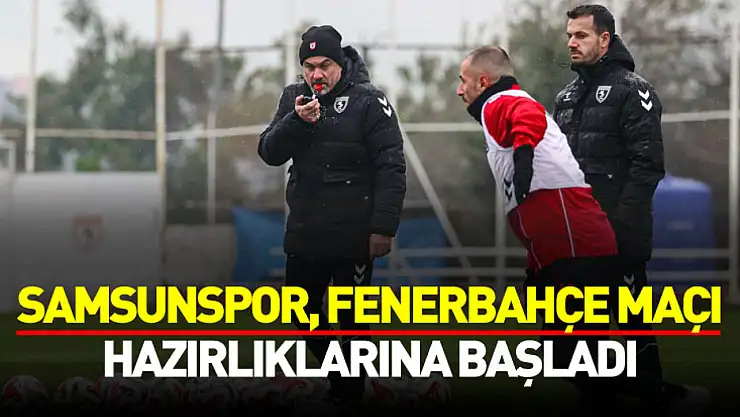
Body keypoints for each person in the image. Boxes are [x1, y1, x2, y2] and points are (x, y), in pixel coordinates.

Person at [456, 45, 705, 416]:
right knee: (568, 353)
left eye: (463, 81)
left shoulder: (501, 100)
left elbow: (526, 116)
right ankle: (645, 397)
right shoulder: (499, 108)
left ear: (482, 81)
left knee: (571, 352)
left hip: (574, 244)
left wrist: (523, 155)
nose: (459, 90)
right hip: (566, 244)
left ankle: (671, 397)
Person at [552, 3, 710, 413]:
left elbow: (647, 164)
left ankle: (666, 400)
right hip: (576, 237)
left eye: (581, 35)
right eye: (569, 35)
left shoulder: (633, 90)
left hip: (619, 234)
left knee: (630, 328)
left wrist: (620, 224)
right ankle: (597, 398)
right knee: (578, 333)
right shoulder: (565, 98)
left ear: (605, 39)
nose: (572, 43)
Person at [257, 25, 406, 404]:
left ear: (340, 64)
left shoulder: (369, 101)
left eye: (324, 65)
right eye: (309, 67)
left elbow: (391, 165)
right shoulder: (293, 97)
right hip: (306, 230)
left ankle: (350, 393)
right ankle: (343, 380)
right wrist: (296, 121)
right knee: (301, 311)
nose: (316, 74)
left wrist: (383, 227)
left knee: (353, 320)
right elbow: (269, 152)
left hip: (353, 233)